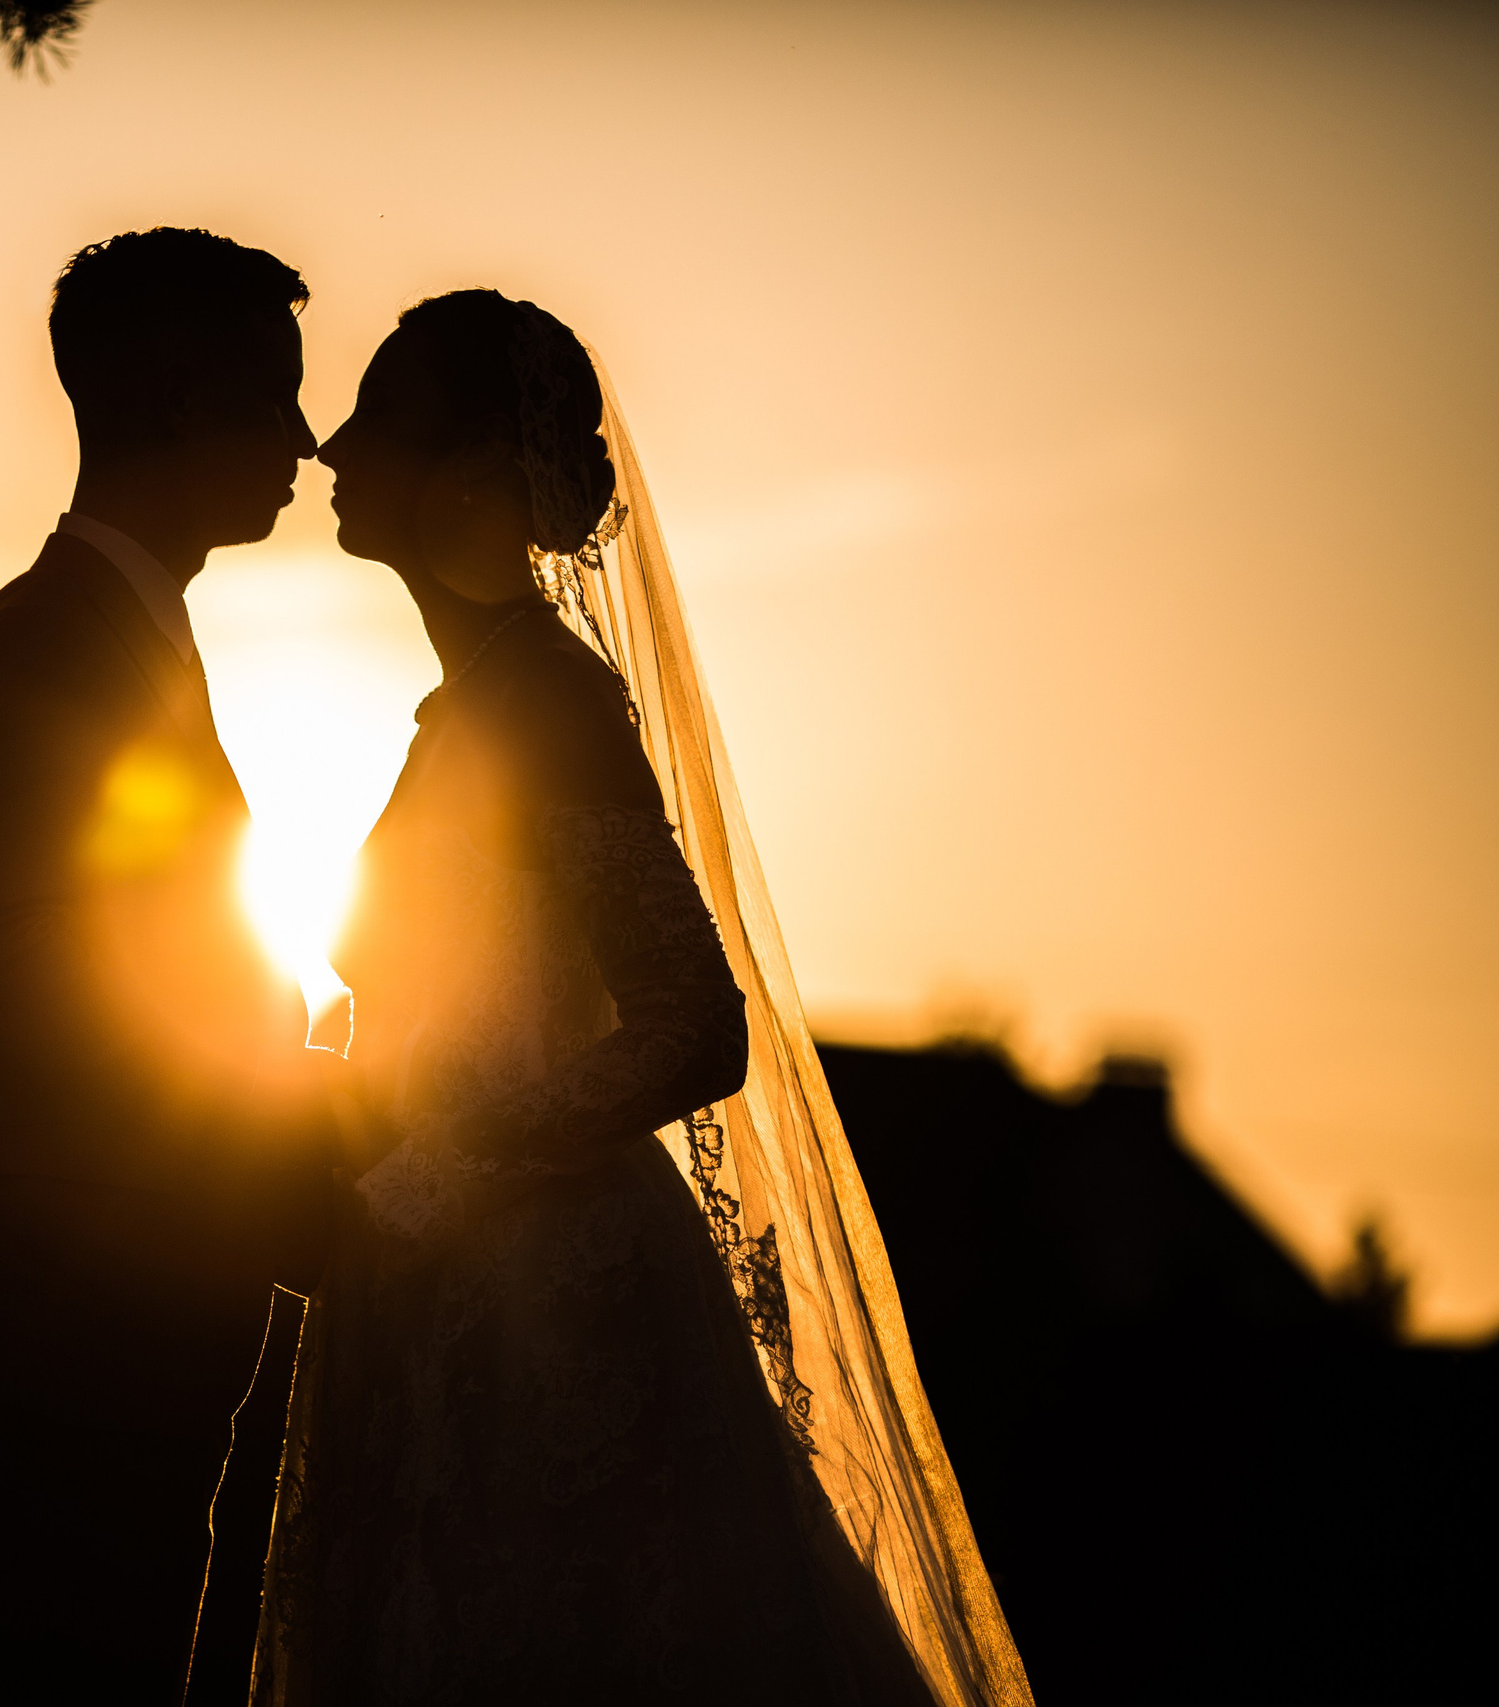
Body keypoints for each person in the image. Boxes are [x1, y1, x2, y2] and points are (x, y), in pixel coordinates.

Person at [252, 292, 1031, 1705]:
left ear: (477, 470)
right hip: (441, 1301)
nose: (334, 450)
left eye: (381, 420)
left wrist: (454, 1162)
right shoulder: (471, 707)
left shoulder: (548, 703)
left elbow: (691, 1021)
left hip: (553, 1322)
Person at [0, 228, 341, 1705]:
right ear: (179, 399)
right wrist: (320, 1131)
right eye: (274, 394)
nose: (305, 439)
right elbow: (35, 1026)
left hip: (105, 1329)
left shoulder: (119, 642)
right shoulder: (41, 662)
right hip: (65, 1337)